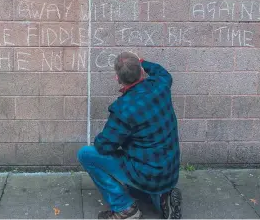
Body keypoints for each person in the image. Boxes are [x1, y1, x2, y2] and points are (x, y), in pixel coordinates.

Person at [78, 52, 182, 219]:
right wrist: (141, 61)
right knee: (140, 180)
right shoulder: (161, 84)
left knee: (86, 154)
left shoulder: (123, 108)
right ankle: (163, 195)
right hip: (170, 172)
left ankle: (125, 208)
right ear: (142, 71)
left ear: (118, 79)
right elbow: (161, 71)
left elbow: (104, 146)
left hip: (146, 174)